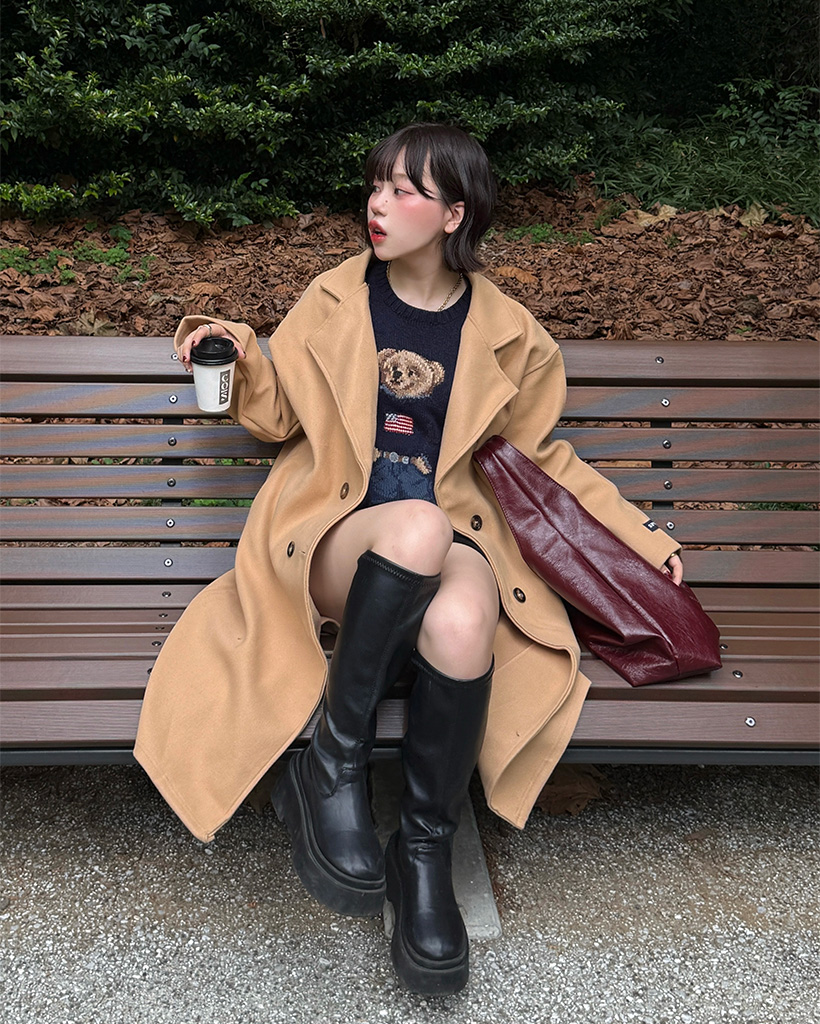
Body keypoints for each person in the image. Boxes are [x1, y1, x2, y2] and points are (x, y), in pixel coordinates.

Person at [134, 123, 682, 996]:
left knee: (464, 620)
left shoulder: (511, 335)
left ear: (453, 214)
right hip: (337, 542)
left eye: (404, 191)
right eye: (376, 185)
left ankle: (423, 853)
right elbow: (278, 415)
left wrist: (644, 542)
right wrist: (236, 353)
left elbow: (542, 461)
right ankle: (333, 763)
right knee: (418, 528)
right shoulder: (335, 299)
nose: (379, 204)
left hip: (445, 545)